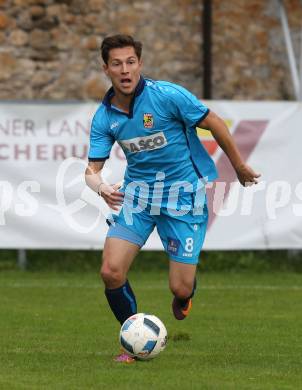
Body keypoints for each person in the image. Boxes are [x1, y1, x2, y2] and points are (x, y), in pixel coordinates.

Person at [85, 34, 260, 363]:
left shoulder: (167, 96)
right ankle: (134, 342)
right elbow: (91, 170)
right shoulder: (104, 117)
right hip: (138, 198)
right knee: (110, 271)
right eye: (117, 63)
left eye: (131, 62)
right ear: (105, 68)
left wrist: (238, 166)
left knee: (180, 289)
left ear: (140, 63)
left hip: (184, 197)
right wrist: (101, 187)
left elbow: (215, 123)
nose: (125, 70)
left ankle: (185, 295)